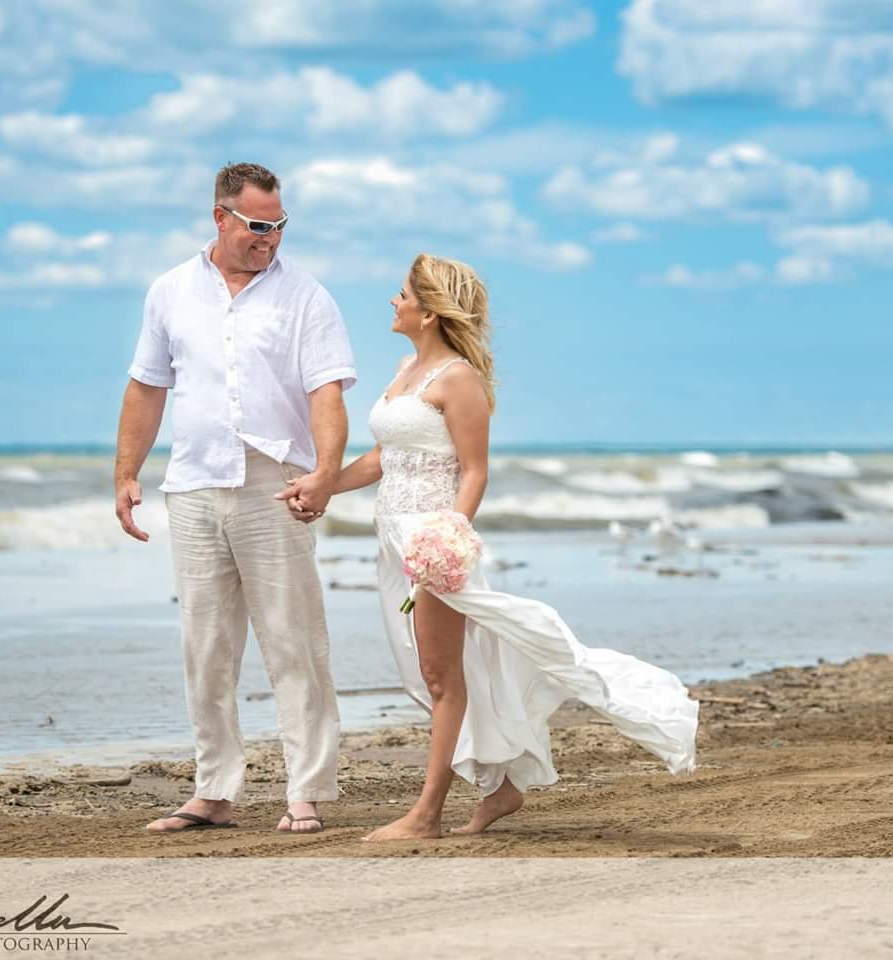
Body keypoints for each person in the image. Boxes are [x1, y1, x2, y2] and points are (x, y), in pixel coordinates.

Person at [279, 253, 699, 841]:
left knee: (442, 676)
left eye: (403, 294)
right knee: (429, 671)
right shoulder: (405, 370)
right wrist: (325, 485)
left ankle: (425, 815)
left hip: (433, 543)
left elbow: (474, 472)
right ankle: (502, 789)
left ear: (429, 311)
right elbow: (384, 458)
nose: (393, 302)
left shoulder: (459, 379)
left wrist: (449, 538)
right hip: (393, 541)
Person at [115, 162, 356, 835]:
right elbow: (146, 386)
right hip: (191, 485)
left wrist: (326, 474)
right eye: (258, 226)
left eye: (279, 226)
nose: (270, 238)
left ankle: (305, 791)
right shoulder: (169, 291)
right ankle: (214, 791)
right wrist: (125, 473)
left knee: (294, 642)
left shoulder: (307, 296)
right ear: (220, 217)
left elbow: (327, 394)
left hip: (272, 483)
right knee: (207, 645)